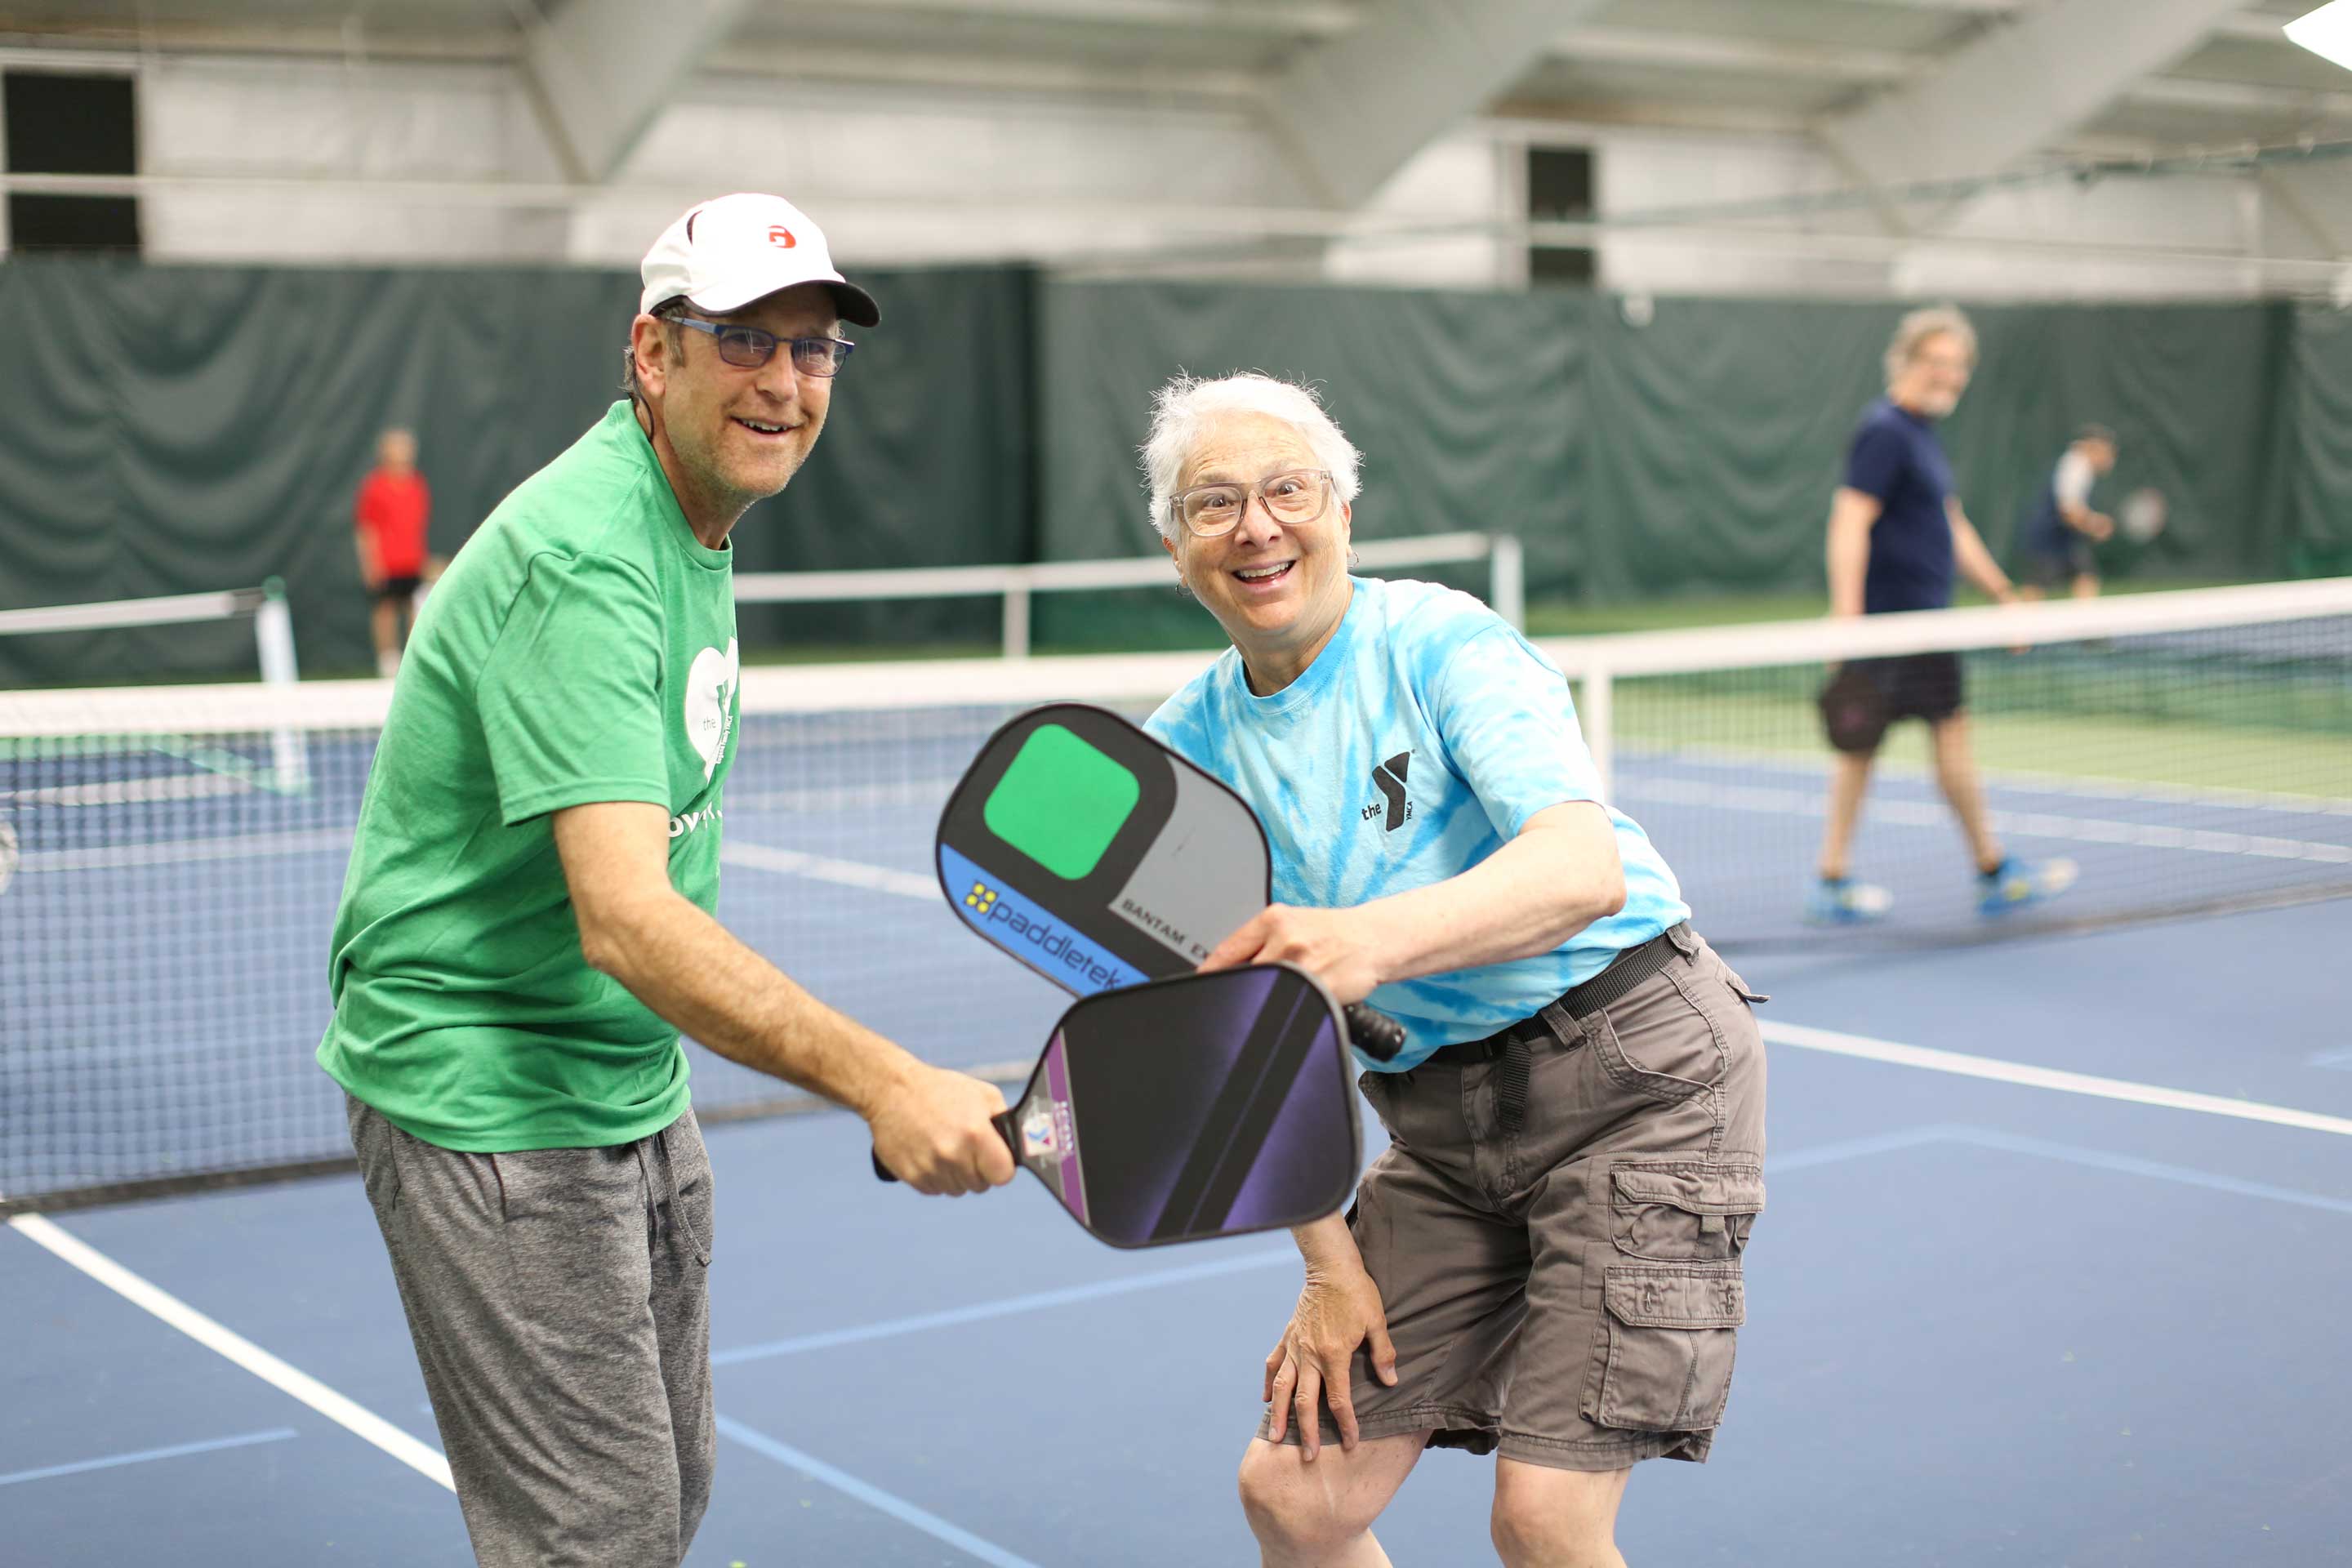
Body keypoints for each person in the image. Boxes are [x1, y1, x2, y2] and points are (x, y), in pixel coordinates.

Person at [315, 193, 1015, 1568]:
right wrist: (886, 1082)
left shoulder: (687, 514)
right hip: (487, 1092)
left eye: (813, 350)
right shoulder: (586, 557)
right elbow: (628, 917)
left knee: (665, 1494)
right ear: (653, 352)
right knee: (601, 1536)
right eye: (745, 340)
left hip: (628, 1080)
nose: (785, 381)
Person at [1140, 372, 1766, 1568]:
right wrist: (1328, 1266)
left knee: (1544, 1519)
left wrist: (1365, 942)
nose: (1257, 527)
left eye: (1288, 491)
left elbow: (1581, 869)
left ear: (1344, 513)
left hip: (1638, 1076)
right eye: (1214, 504)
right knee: (1295, 1498)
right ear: (1177, 548)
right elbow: (1235, 1051)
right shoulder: (1183, 757)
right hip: (1438, 1128)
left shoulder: (1443, 644)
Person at [1808, 305, 2077, 925]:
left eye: (1958, 366)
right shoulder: (1884, 430)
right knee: (1860, 750)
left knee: (1949, 736)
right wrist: (1847, 619)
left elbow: (1949, 525)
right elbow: (1850, 519)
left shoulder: (1924, 435)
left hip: (1931, 626)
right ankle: (1832, 879)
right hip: (1887, 627)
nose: (1948, 376)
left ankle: (1990, 868)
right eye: (1936, 362)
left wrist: (2003, 596)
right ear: (1905, 362)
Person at [353, 427, 442, 677]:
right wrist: (371, 564)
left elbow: (418, 526)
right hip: (386, 563)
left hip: (412, 562)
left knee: (415, 609)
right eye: (398, 446)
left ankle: (413, 661)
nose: (404, 452)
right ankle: (388, 660)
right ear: (385, 452)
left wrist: (423, 560)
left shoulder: (417, 485)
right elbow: (366, 530)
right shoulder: (374, 487)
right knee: (386, 611)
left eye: (407, 446)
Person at [2015, 425, 2118, 601]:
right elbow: (2068, 510)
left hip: (2066, 538)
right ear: (2093, 447)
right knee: (2034, 592)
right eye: (2107, 452)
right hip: (2048, 536)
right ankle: (2016, 627)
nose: (2110, 459)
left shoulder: (2080, 466)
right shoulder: (2076, 466)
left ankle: (2084, 625)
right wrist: (2095, 524)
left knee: (2086, 577)